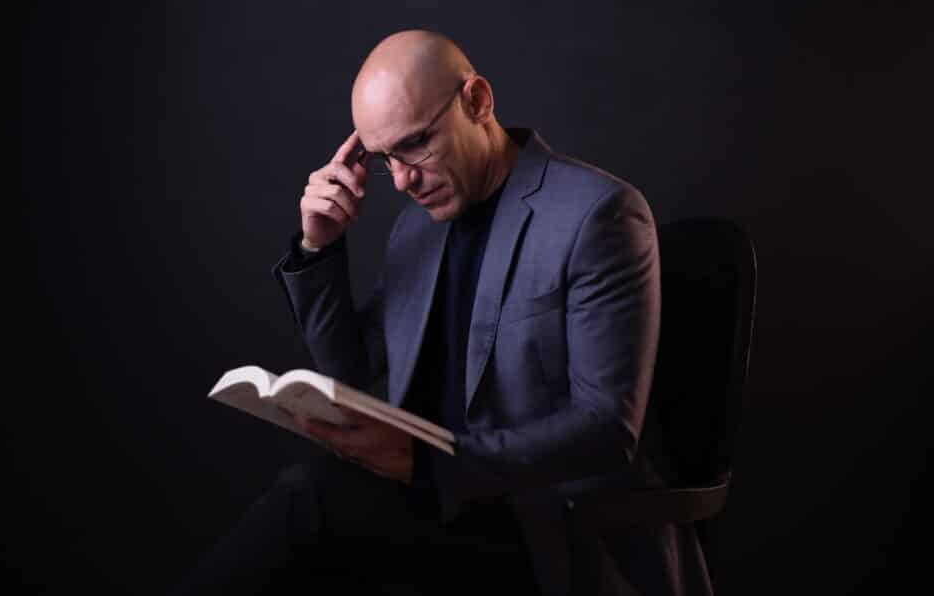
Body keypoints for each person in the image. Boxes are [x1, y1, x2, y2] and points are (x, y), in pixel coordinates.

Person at [171, 30, 713, 595]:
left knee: (312, 501)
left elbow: (606, 429)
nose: (404, 180)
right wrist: (319, 248)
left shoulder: (598, 214)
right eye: (386, 159)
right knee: (316, 502)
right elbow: (352, 373)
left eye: (415, 144)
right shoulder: (416, 229)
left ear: (477, 101)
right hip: (439, 516)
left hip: (552, 533)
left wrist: (428, 464)